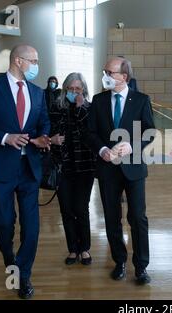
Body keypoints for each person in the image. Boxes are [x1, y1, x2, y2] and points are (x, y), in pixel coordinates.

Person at [0, 44, 51, 299]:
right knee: (4, 222)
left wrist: (42, 138)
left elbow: (43, 121)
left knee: (32, 227)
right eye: (33, 60)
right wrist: (5, 137)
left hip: (29, 168)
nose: (36, 65)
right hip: (0, 168)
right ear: (17, 60)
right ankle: (8, 255)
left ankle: (22, 274)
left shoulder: (37, 92)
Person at [88, 57, 155, 285]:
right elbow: (90, 133)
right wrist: (103, 149)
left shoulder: (142, 100)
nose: (105, 75)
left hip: (134, 168)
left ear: (123, 77)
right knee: (111, 218)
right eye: (104, 71)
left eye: (109, 72)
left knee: (137, 217)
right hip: (107, 169)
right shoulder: (98, 101)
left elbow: (150, 132)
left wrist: (133, 146)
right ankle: (120, 261)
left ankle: (141, 266)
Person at [49, 72, 97, 266]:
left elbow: (90, 132)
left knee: (81, 207)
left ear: (83, 90)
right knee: (67, 209)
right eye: (71, 89)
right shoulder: (56, 107)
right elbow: (49, 129)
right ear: (65, 89)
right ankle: (72, 249)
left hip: (85, 165)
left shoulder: (89, 108)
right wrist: (53, 139)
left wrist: (79, 107)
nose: (74, 92)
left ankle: (84, 248)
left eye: (78, 89)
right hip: (63, 165)